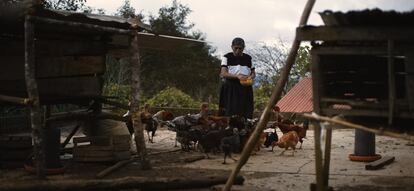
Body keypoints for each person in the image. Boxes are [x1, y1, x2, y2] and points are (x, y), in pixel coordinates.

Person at [219, 37, 255, 119]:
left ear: (243, 48)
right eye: (236, 48)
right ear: (232, 47)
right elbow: (223, 73)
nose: (238, 50)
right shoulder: (227, 57)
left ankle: (246, 127)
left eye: (240, 48)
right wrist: (237, 76)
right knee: (231, 111)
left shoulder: (248, 58)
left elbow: (253, 73)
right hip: (231, 86)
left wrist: (250, 77)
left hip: (245, 86)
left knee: (246, 111)